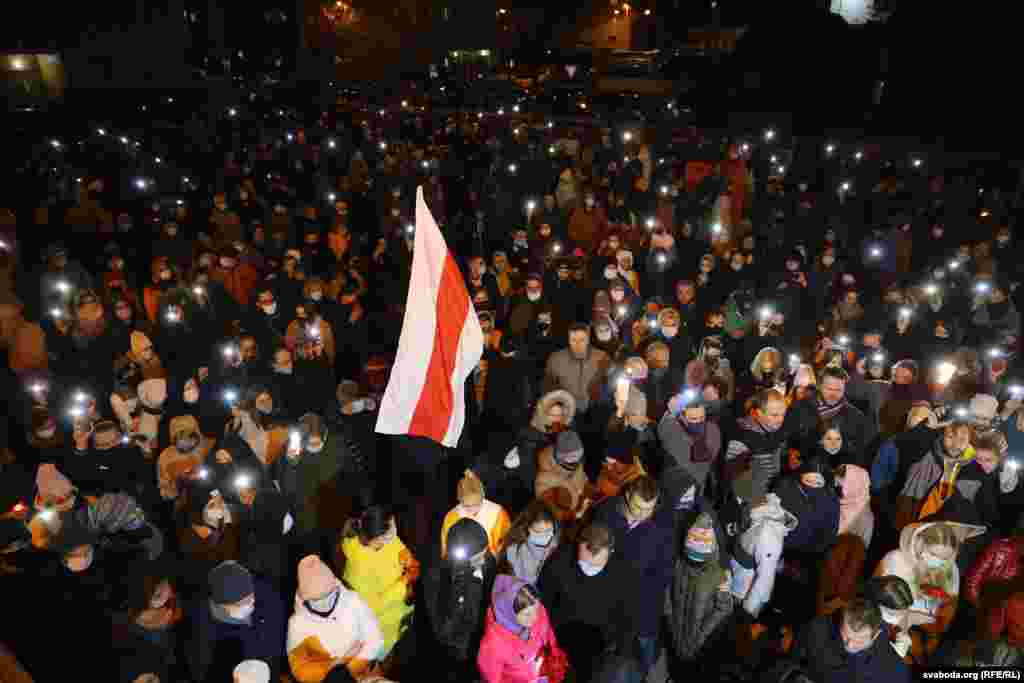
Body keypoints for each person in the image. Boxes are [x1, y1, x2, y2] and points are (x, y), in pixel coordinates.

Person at [537, 522, 640, 683]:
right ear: (579, 545)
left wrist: (621, 651)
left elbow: (629, 615)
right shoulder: (559, 561)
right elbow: (545, 602)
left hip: (603, 648)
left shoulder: (624, 571)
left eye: (596, 565)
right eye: (584, 562)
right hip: (563, 644)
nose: (589, 569)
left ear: (610, 552)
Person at [287, 554, 384, 682]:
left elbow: (375, 638)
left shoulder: (352, 600)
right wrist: (330, 672)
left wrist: (348, 670)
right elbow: (299, 667)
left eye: (329, 595)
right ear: (305, 598)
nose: (325, 603)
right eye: (317, 599)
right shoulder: (297, 624)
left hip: (367, 674)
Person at [336, 505, 419, 656]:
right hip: (385, 631)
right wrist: (403, 582)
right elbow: (371, 608)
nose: (396, 533)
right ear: (377, 539)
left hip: (401, 615)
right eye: (392, 532)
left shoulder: (385, 535)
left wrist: (406, 555)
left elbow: (397, 546)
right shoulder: (358, 568)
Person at [423, 518, 497, 682]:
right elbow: (442, 629)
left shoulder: (486, 559)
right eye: (478, 557)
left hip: (484, 644)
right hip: (457, 654)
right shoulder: (437, 578)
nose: (484, 560)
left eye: (485, 553)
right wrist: (467, 586)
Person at [188, 560, 287, 682]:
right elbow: (203, 671)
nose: (251, 603)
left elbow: (279, 637)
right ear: (222, 606)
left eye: (251, 596)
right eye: (242, 603)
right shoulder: (204, 627)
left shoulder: (268, 595)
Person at [790, 598, 911, 683]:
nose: (849, 645)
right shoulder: (817, 628)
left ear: (876, 635)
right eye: (846, 636)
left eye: (859, 641)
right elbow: (797, 658)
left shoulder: (894, 671)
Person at [477, 576, 569, 683]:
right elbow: (493, 680)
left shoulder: (539, 612)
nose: (535, 617)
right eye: (527, 614)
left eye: (537, 608)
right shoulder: (492, 645)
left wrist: (554, 663)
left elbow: (550, 641)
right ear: (509, 613)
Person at [440, 470, 512, 559]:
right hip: (462, 563)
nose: (472, 510)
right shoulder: (452, 516)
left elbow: (507, 542)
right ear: (460, 501)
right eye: (467, 506)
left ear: (482, 498)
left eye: (476, 505)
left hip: (491, 562)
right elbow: (446, 548)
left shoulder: (498, 513)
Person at [498, 500, 560, 585]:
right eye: (538, 533)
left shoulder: (560, 547)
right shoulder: (513, 550)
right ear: (527, 528)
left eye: (548, 531)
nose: (544, 537)